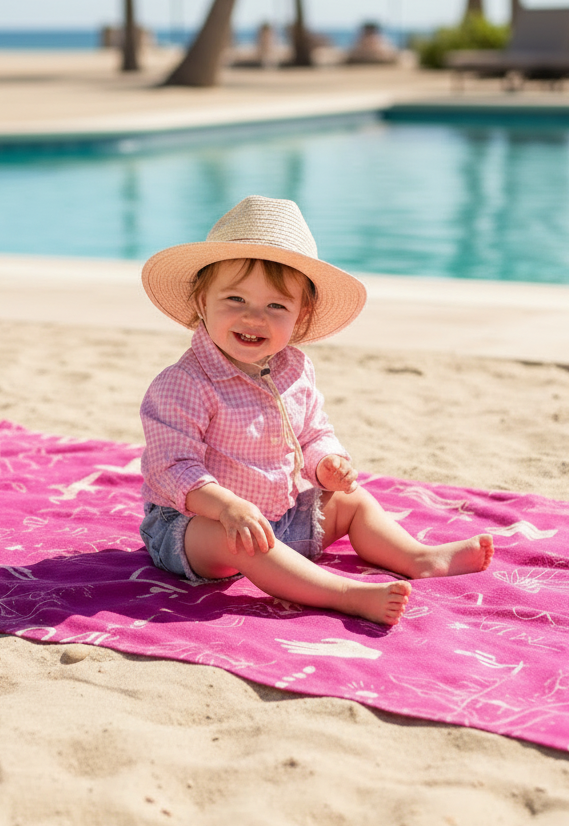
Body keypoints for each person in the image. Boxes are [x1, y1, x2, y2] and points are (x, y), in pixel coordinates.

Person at [139, 196, 493, 627]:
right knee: (242, 541)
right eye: (235, 299)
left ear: (300, 315)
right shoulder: (186, 382)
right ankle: (342, 593)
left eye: (276, 306)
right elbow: (171, 466)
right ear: (202, 302)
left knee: (351, 501)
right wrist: (227, 506)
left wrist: (326, 463)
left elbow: (311, 431)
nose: (254, 318)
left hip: (281, 517)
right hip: (195, 528)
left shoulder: (295, 369)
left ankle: (417, 557)